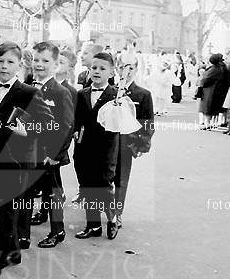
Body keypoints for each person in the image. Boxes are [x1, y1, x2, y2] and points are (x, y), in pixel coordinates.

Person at [0, 41, 54, 279]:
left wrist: (26, 130)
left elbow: (48, 124)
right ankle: (14, 253)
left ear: (20, 66)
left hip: (19, 163)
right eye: (0, 61)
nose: (4, 66)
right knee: (4, 210)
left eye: (10, 62)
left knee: (5, 213)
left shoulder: (29, 92)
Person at [23, 42, 74, 249]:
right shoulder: (27, 86)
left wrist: (55, 155)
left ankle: (58, 230)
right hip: (28, 151)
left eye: (45, 61)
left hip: (48, 153)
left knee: (53, 192)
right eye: (36, 60)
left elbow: (66, 127)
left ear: (55, 65)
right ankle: (23, 233)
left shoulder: (60, 92)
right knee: (26, 192)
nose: (39, 64)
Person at [73, 52, 120, 240]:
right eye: (93, 68)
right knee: (86, 186)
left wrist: (120, 107)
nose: (97, 71)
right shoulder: (81, 94)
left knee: (103, 186)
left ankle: (112, 219)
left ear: (111, 72)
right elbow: (76, 118)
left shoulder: (116, 95)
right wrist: (75, 129)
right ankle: (92, 225)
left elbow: (122, 122)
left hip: (106, 149)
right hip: (83, 148)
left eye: (102, 68)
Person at [113, 52, 154, 231]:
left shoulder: (143, 94)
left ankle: (117, 213)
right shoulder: (109, 90)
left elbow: (148, 124)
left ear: (136, 70)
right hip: (106, 143)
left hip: (125, 144)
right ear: (116, 68)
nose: (126, 71)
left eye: (131, 67)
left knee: (121, 180)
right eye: (122, 67)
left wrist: (139, 145)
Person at [198, 53, 230, 129]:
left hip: (210, 90)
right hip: (218, 90)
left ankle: (207, 124)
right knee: (213, 108)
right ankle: (212, 123)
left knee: (208, 108)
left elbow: (205, 80)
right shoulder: (223, 68)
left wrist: (201, 84)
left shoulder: (214, 69)